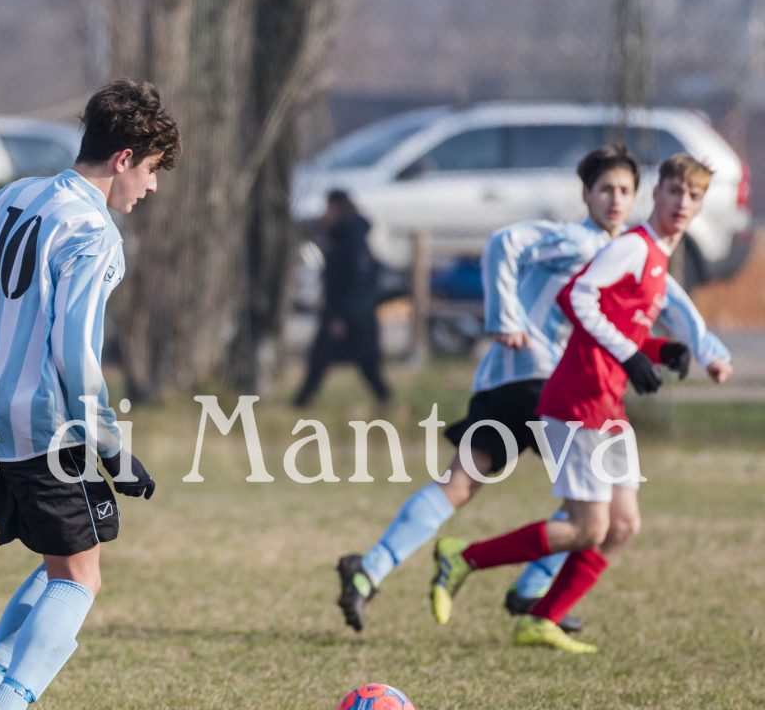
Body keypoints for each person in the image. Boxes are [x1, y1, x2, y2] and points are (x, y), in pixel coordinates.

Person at [334, 147, 731, 633]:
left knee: (480, 487)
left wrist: (701, 351)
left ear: (637, 197)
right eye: (605, 189)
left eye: (623, 191)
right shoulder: (576, 240)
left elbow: (672, 301)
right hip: (536, 382)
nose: (614, 199)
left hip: (532, 384)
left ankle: (370, 570)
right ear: (585, 194)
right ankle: (527, 588)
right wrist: (506, 316)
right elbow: (505, 241)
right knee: (590, 507)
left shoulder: (630, 250)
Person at [0, 79, 180, 710]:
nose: (152, 187)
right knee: (81, 577)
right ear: (124, 157)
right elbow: (75, 353)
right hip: (41, 423)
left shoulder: (18, 195)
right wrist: (111, 447)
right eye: (151, 169)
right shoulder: (94, 233)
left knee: (60, 561)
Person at [293, 190, 391, 407]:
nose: (325, 215)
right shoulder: (346, 237)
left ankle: (301, 402)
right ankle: (301, 401)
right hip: (354, 314)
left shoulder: (350, 241)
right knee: (335, 361)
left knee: (329, 359)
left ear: (337, 209)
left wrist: (340, 316)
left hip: (349, 314)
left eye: (328, 209)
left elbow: (352, 281)